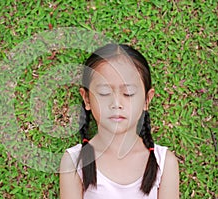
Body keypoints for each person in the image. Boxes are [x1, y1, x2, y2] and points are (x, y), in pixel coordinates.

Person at [59, 43, 179, 198]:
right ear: (87, 99)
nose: (116, 104)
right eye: (104, 92)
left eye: (128, 93)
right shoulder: (74, 162)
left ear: (146, 100)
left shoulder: (164, 162)